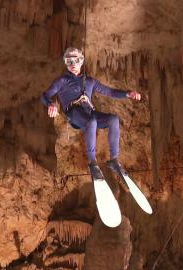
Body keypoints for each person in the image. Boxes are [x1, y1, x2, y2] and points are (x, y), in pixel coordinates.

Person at [41, 47, 141, 179]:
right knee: (91, 121)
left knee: (113, 119)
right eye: (69, 61)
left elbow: (110, 92)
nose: (72, 64)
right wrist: (51, 104)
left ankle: (114, 160)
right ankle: (92, 162)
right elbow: (45, 95)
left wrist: (128, 94)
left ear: (81, 61)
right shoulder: (62, 81)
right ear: (65, 63)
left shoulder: (89, 81)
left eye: (75, 60)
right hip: (74, 113)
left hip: (89, 112)